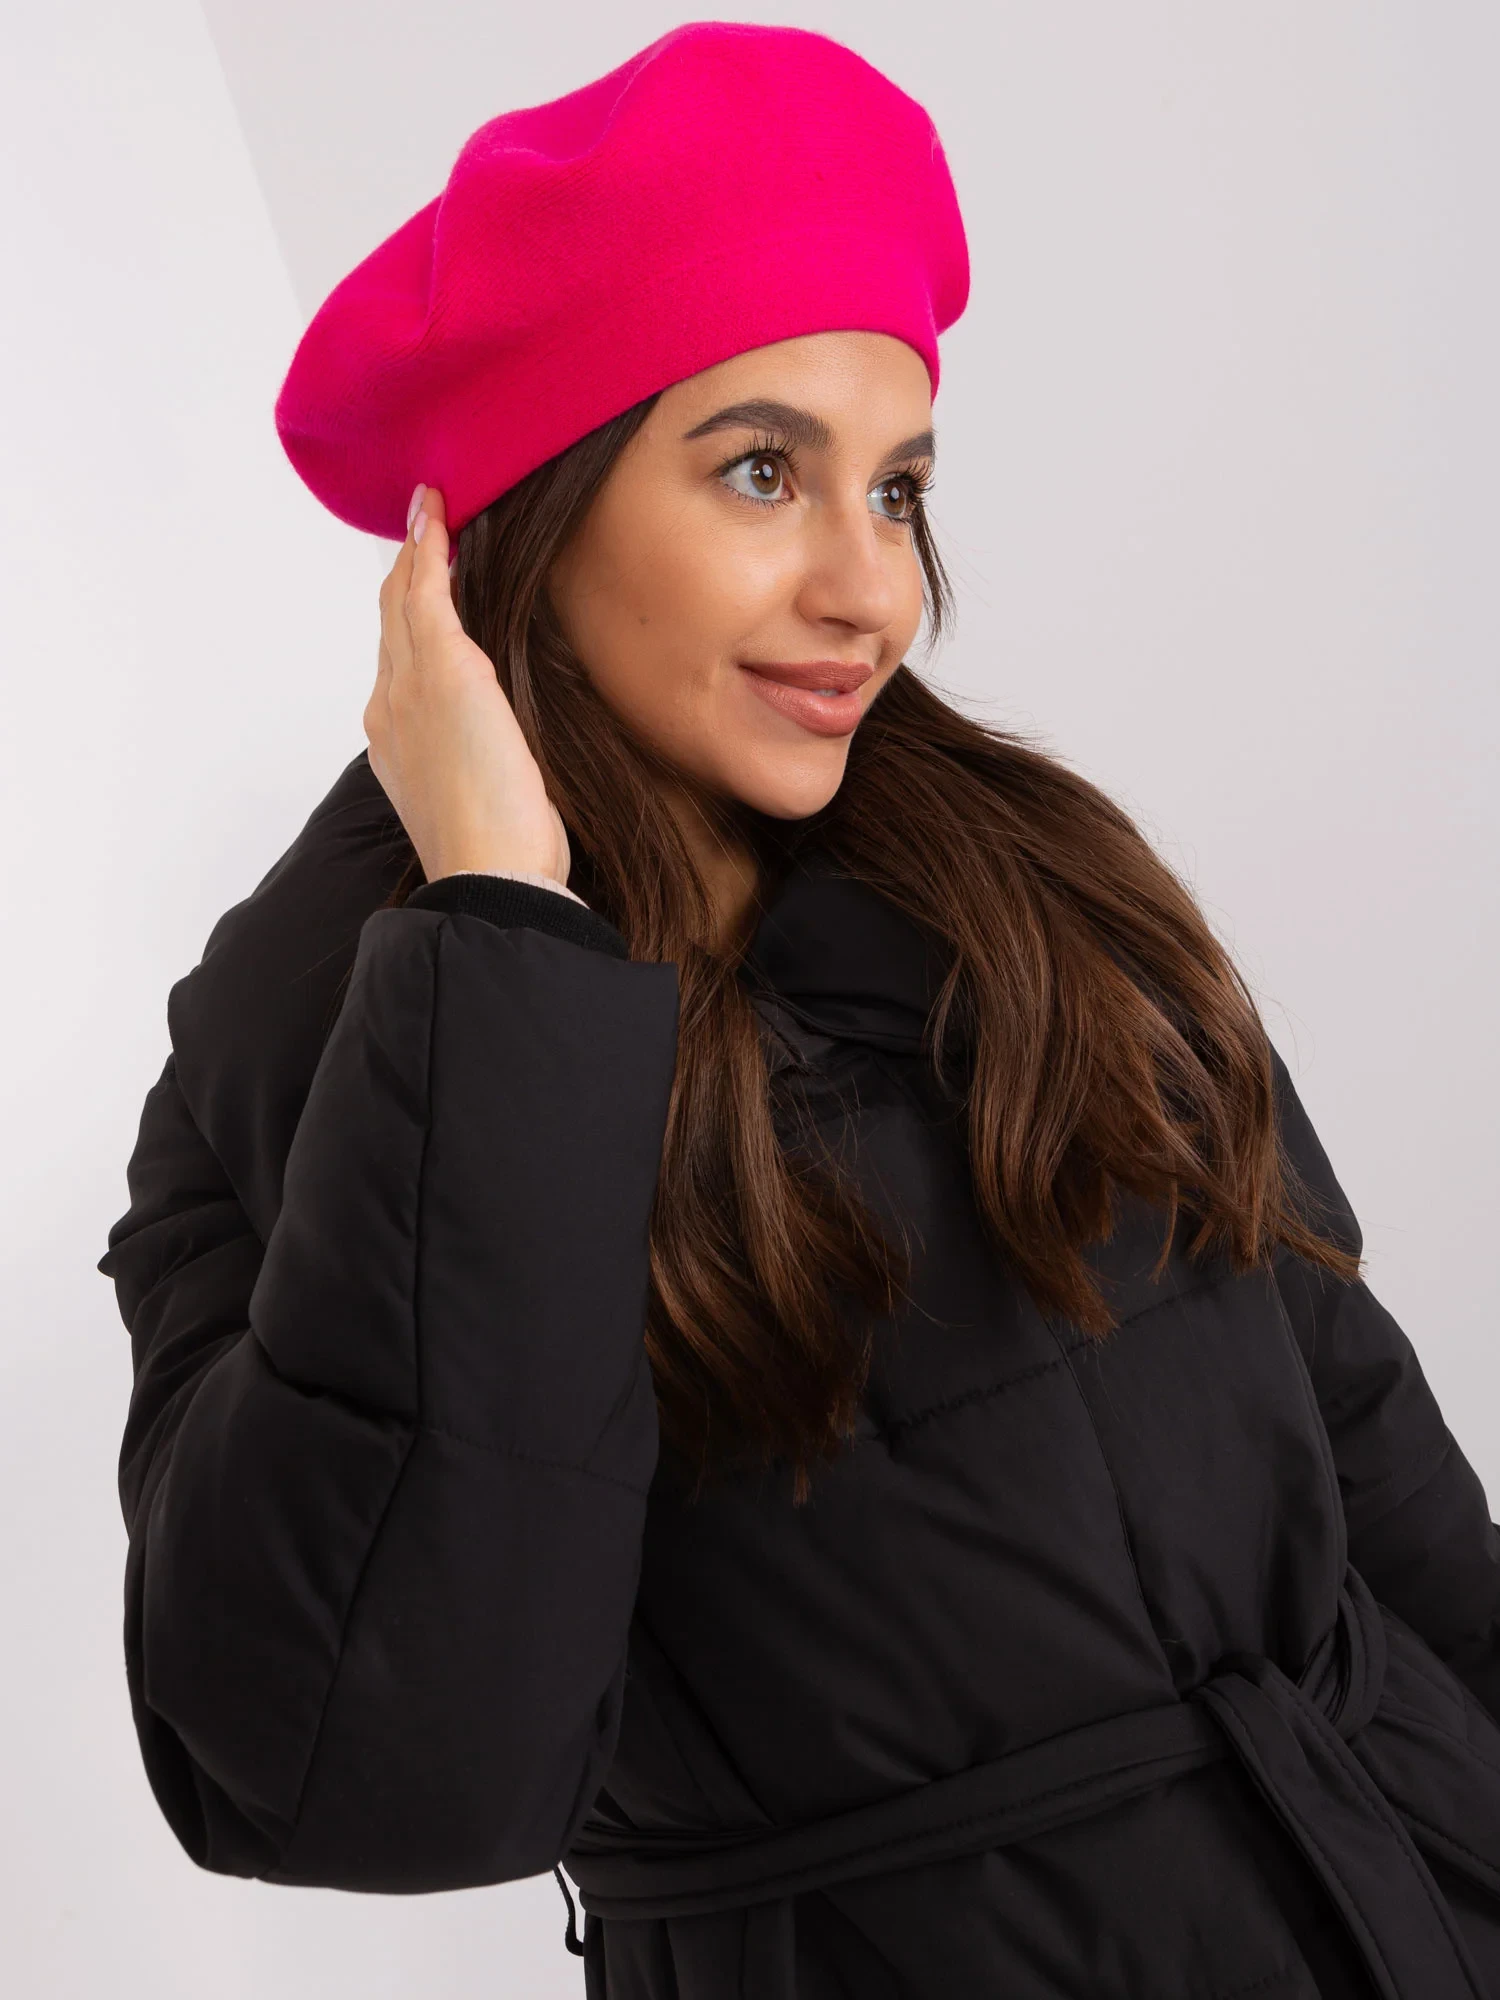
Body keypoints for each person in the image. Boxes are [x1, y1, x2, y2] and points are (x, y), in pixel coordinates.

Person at [97, 21, 1500, 1999]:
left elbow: (1369, 1465)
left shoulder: (1031, 875)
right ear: (526, 506)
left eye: (899, 487)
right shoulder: (311, 1031)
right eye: (764, 472)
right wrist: (497, 926)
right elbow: (393, 1771)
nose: (878, 592)